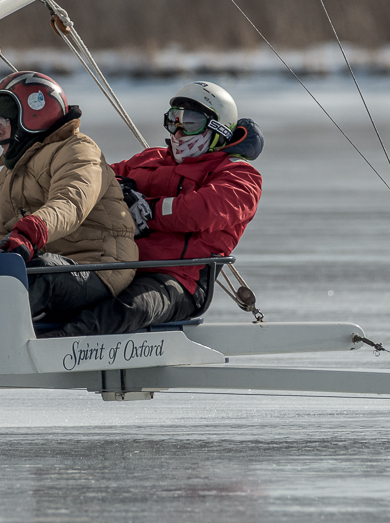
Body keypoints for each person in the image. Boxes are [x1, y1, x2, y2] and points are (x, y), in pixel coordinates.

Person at [50, 81, 262, 337]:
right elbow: (96, 177)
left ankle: (61, 344)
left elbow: (201, 210)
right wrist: (122, 192)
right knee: (54, 280)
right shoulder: (150, 158)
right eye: (174, 120)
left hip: (177, 279)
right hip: (116, 263)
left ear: (218, 128)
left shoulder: (239, 175)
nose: (179, 131)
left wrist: (146, 209)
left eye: (190, 122)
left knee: (131, 307)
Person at [0, 71, 138, 324]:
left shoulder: (79, 150)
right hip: (50, 261)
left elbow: (70, 203)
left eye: (3, 119)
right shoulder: (9, 173)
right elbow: (9, 237)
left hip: (99, 266)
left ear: (30, 118)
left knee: (38, 274)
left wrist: (33, 229)